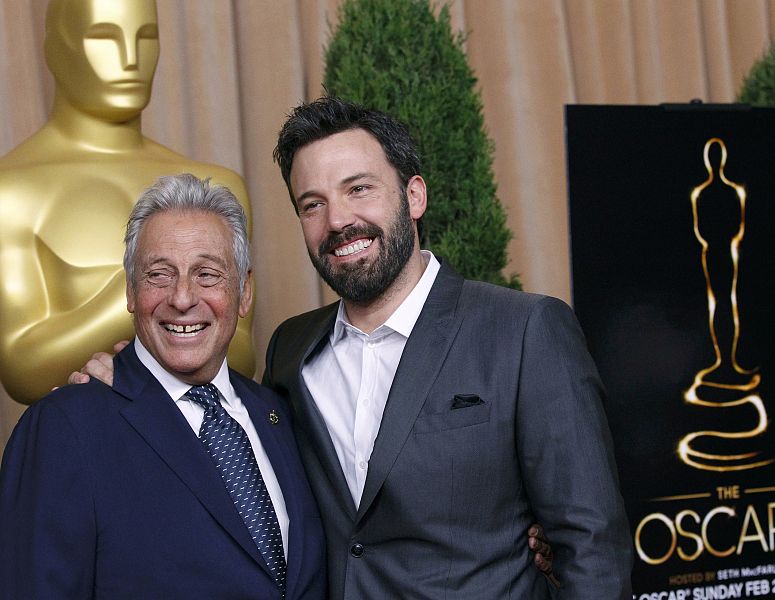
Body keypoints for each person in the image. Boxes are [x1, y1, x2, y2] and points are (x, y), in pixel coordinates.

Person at [260, 96, 633, 598]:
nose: (338, 220)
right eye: (313, 204)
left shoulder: (525, 331)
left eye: (359, 188)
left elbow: (592, 547)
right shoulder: (290, 351)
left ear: (414, 196)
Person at [0, 174, 325, 599]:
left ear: (244, 292)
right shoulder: (63, 428)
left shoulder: (280, 414)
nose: (182, 298)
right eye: (159, 275)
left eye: (207, 274)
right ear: (131, 292)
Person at [0, 0, 253, 406]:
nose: (130, 58)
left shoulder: (216, 186)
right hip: (78, 433)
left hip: (200, 431)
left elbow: (241, 354)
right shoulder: (10, 190)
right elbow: (23, 370)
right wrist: (146, 299)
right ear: (54, 49)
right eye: (104, 37)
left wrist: (151, 302)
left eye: (146, 37)